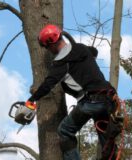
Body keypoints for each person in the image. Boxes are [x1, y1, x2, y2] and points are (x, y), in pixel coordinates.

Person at [27, 24, 120, 160]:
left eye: (47, 47)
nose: (48, 50)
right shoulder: (81, 48)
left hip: (91, 101)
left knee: (64, 131)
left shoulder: (61, 63)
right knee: (105, 138)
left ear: (51, 44)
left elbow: (48, 84)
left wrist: (32, 99)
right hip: (109, 99)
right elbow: (93, 51)